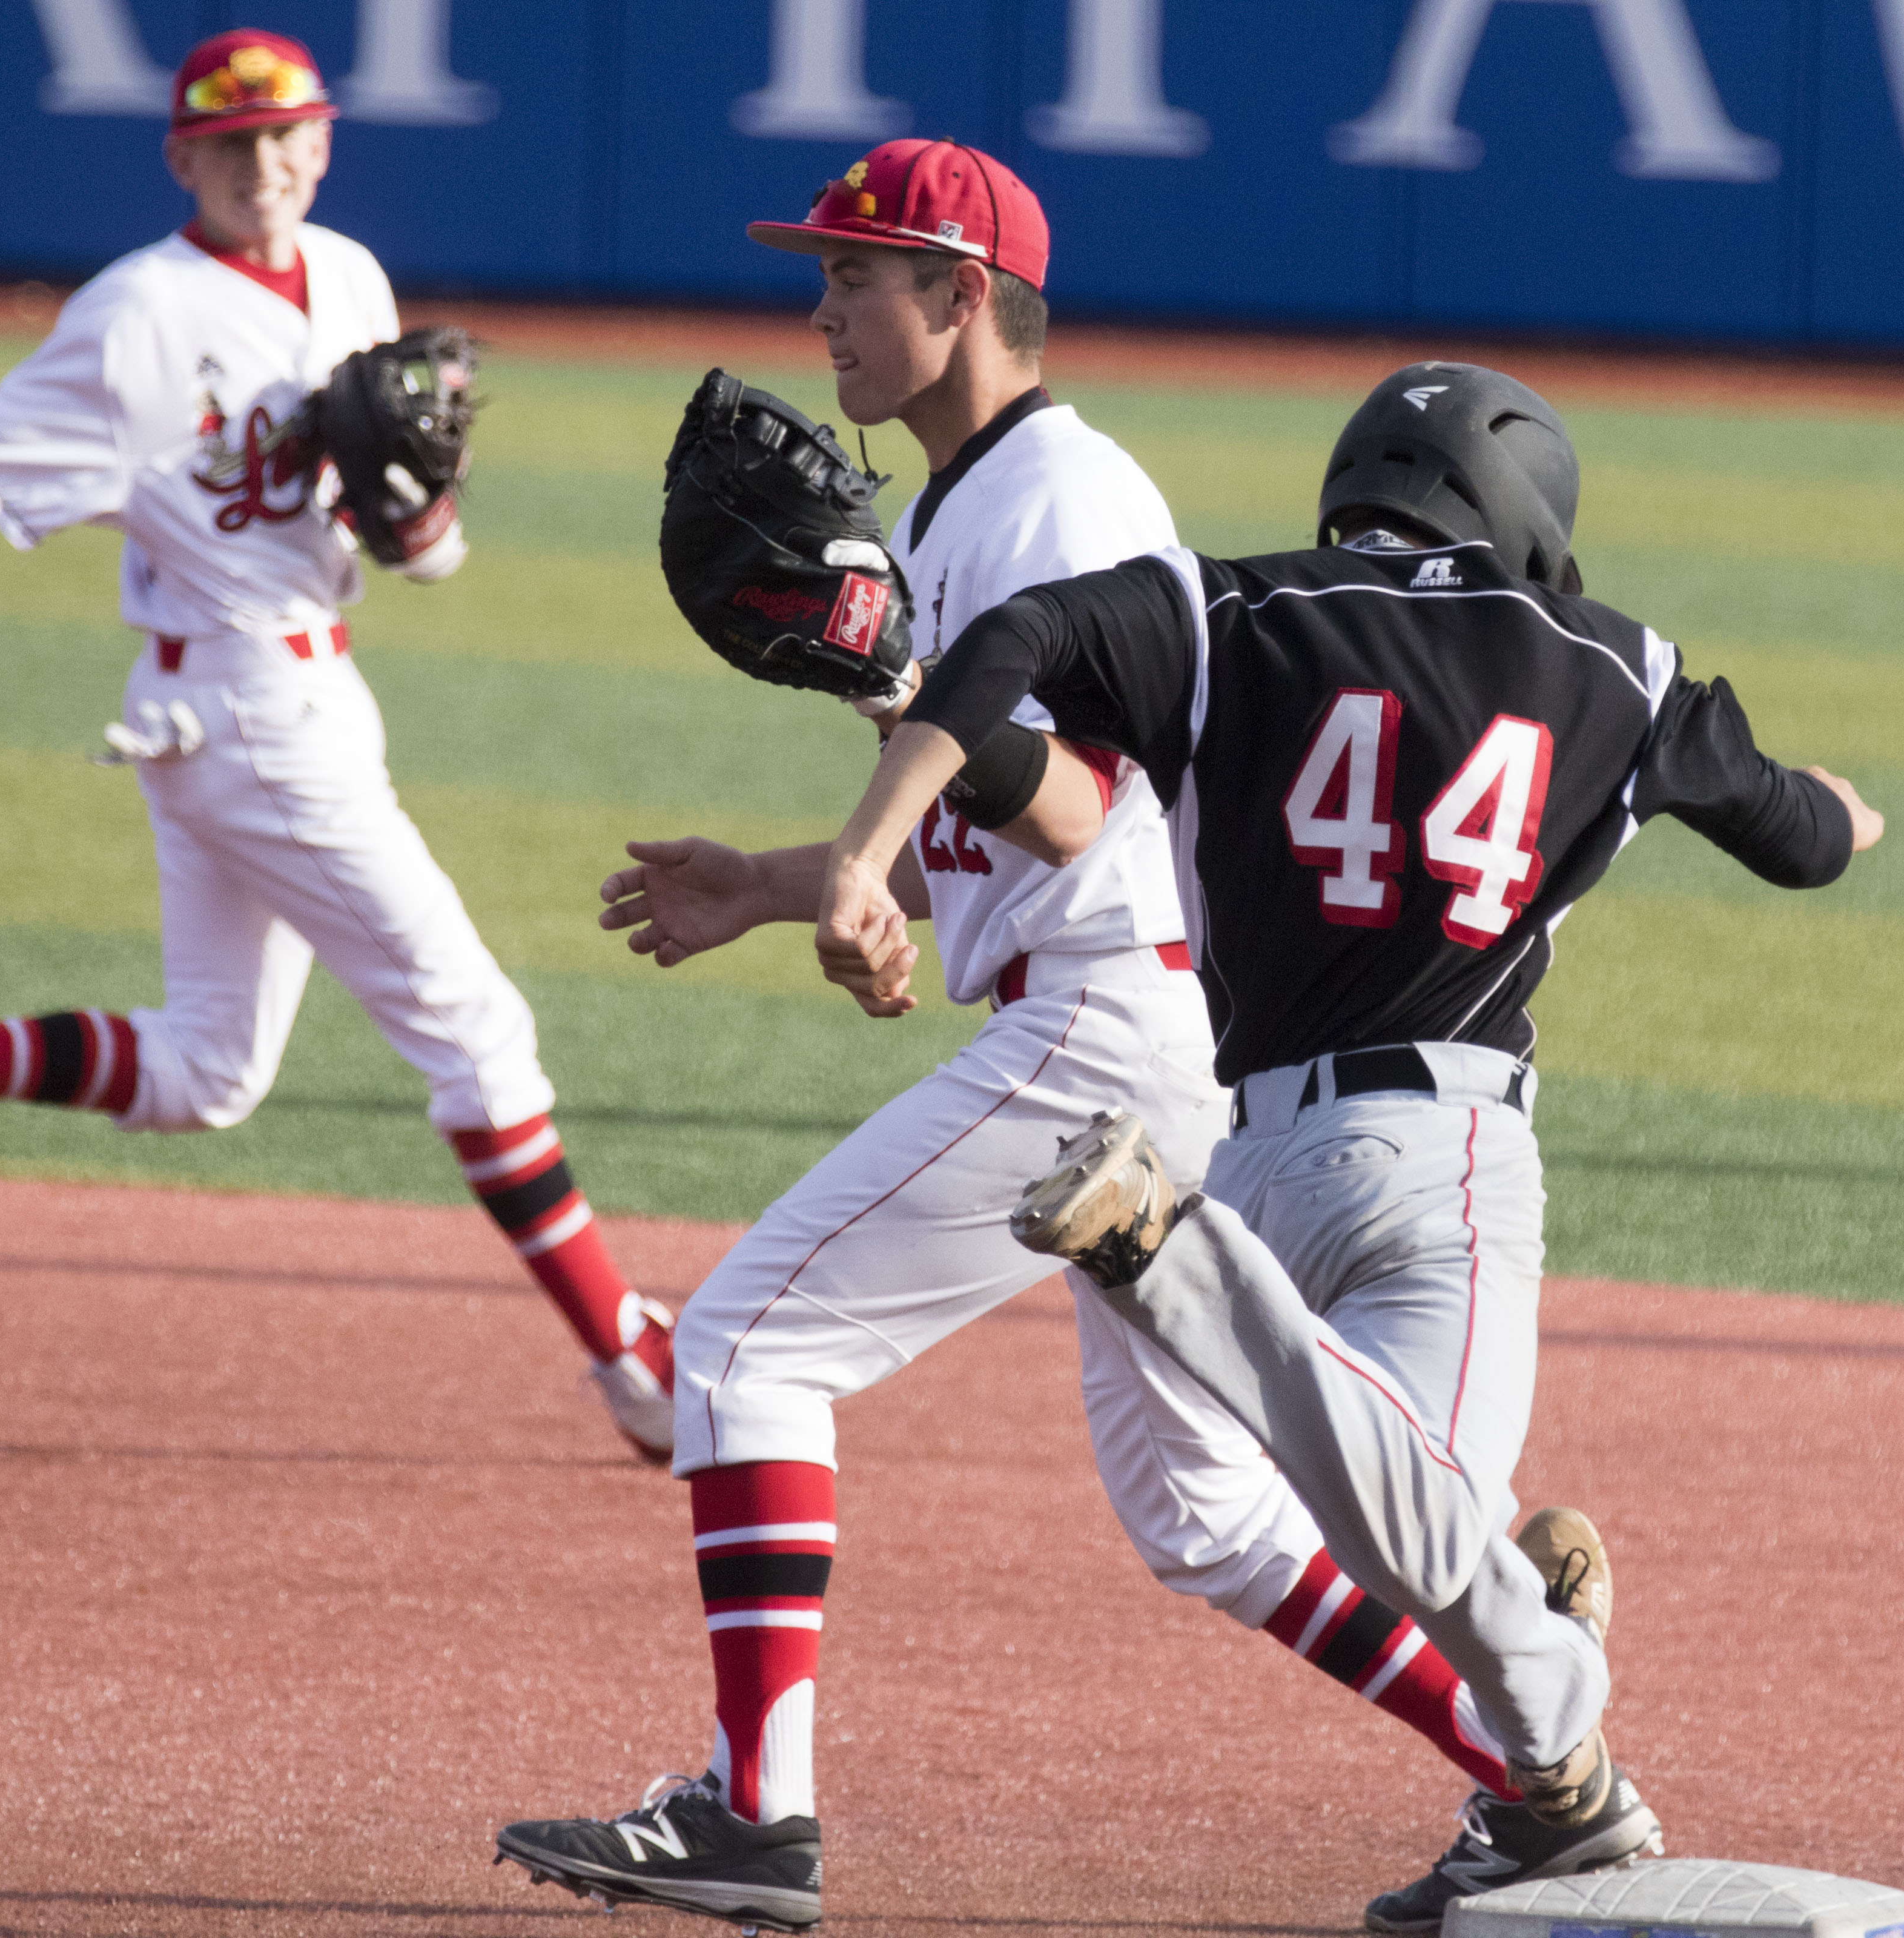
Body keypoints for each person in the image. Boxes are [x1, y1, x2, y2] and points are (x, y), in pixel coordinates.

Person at [492, 145, 1546, 1934]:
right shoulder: (945, 511)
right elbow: (989, 819)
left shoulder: (1058, 499)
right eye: (820, 273)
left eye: (859, 275)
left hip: (1113, 1021)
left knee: (745, 1343)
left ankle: (757, 1821)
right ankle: (1545, 1768)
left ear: (962, 297)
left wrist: (885, 732)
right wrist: (776, 882)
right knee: (1202, 1518)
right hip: (1123, 1017)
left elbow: (1069, 811)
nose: (822, 310)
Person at [805, 363, 1885, 1930]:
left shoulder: (1220, 612)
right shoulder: (1612, 663)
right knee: (1432, 1535)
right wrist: (1845, 819)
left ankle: (1547, 1798)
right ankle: (1173, 1270)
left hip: (1244, 1149)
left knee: (1346, 1543)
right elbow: (1796, 837)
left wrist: (870, 816)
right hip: (1430, 1164)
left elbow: (1010, 645)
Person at [0, 28, 676, 1462]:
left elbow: (398, 535)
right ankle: (630, 1355)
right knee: (480, 1028)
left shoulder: (351, 278)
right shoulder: (134, 315)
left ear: (324, 146)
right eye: (232, 145)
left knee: (210, 1073)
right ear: (183, 158)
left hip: (273, 700)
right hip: (257, 720)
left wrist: (424, 524)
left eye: (288, 140)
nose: (264, 166)